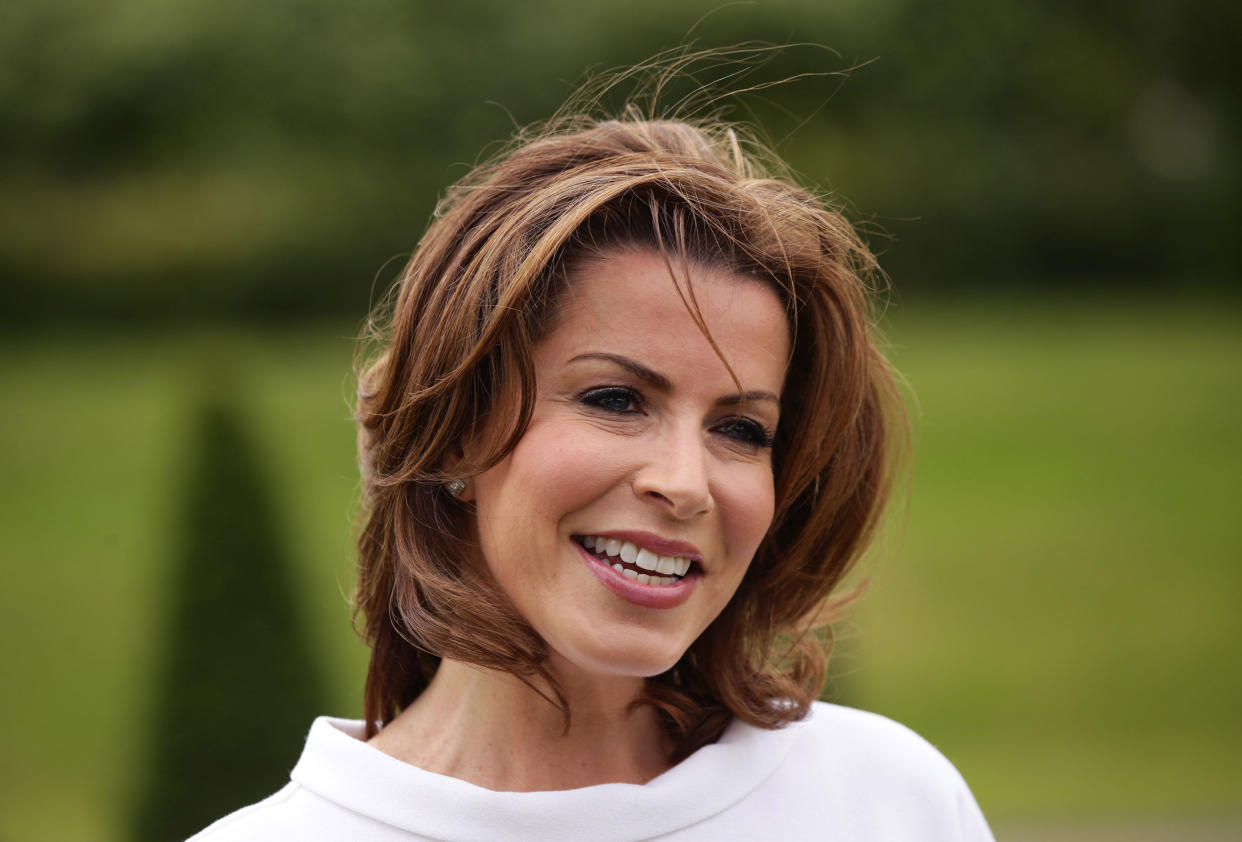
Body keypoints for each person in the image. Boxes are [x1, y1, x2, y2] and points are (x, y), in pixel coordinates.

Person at [190, 98, 994, 841]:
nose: (686, 482)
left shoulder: (890, 802)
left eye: (741, 428)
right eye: (616, 398)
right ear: (453, 430)